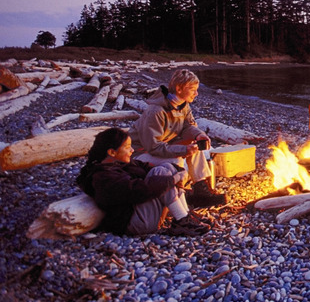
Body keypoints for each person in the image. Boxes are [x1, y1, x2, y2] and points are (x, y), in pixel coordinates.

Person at [76, 127, 210, 236]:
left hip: (141, 213)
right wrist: (174, 179)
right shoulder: (103, 177)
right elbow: (139, 189)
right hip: (134, 222)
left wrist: (180, 173)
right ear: (112, 152)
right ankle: (182, 220)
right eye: (127, 147)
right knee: (161, 174)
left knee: (167, 168)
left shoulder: (121, 164)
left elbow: (147, 167)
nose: (132, 150)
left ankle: (185, 216)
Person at [128, 69, 226, 208]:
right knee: (176, 160)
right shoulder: (156, 112)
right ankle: (176, 198)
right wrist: (183, 150)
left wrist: (198, 134)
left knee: (197, 148)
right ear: (179, 88)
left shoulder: (183, 105)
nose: (196, 94)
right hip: (140, 153)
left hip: (162, 145)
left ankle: (200, 191)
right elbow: (154, 147)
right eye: (192, 89)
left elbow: (187, 126)